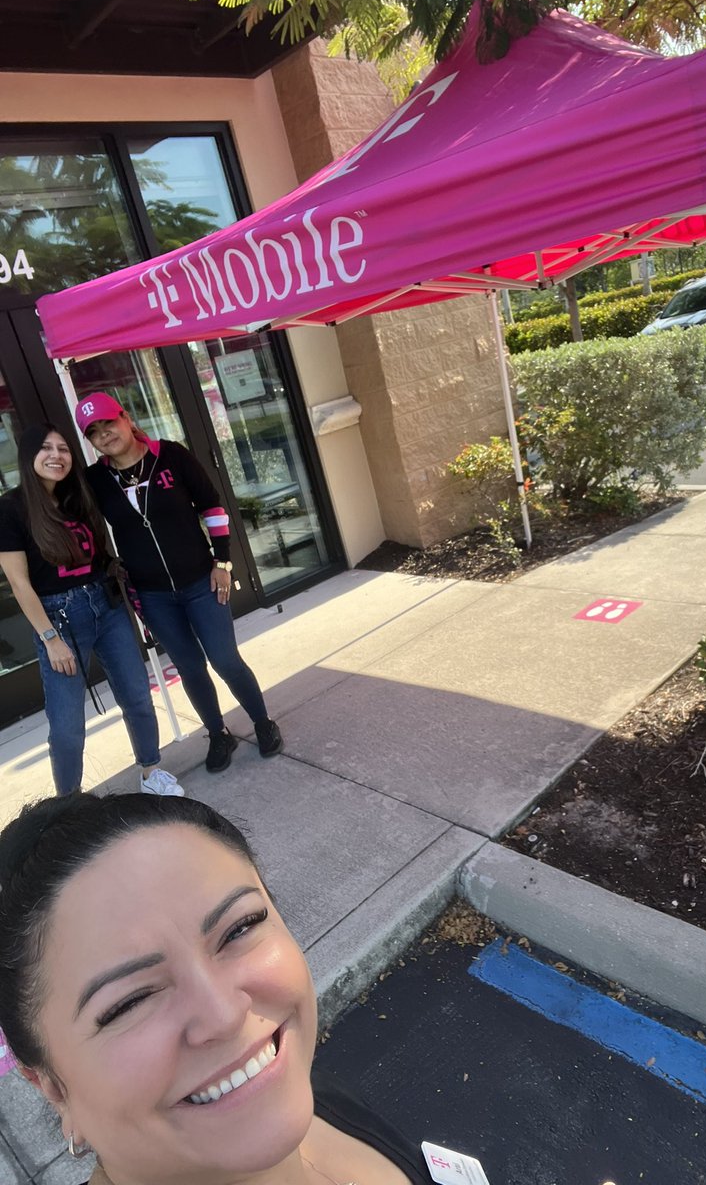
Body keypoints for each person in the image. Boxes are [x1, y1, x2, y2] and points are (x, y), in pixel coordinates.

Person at [0, 792, 432, 1185]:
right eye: (130, 1002)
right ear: (51, 1085)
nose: (225, 1015)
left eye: (240, 927)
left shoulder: (309, 1091)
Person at [74, 393, 282, 773]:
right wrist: (108, 562)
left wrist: (223, 562)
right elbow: (81, 526)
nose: (104, 435)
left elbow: (213, 508)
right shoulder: (95, 480)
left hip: (203, 581)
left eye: (109, 423)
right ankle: (218, 734)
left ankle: (263, 722)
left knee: (225, 659)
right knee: (189, 666)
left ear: (126, 418)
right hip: (153, 595)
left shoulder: (171, 456)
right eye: (94, 432)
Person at [0, 425, 181, 799]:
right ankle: (69, 803)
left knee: (137, 697)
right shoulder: (11, 508)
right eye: (46, 448)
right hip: (59, 621)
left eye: (64, 449)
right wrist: (50, 639)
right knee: (66, 727)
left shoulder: (78, 497)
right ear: (29, 456)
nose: (56, 455)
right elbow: (20, 583)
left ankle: (150, 772)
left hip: (105, 606)